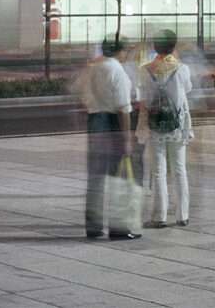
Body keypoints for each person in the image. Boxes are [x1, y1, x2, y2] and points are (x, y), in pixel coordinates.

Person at [73, 35, 142, 240]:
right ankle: (118, 228)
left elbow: (81, 95)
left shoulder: (92, 68)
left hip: (94, 122)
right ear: (120, 51)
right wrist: (127, 138)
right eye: (125, 50)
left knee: (95, 178)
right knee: (117, 177)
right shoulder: (116, 70)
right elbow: (123, 108)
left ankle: (93, 226)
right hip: (112, 123)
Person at [140, 31, 195, 229]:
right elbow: (187, 90)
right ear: (173, 47)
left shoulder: (146, 70)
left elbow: (143, 97)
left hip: (155, 125)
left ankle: (159, 216)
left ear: (155, 47)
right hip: (177, 125)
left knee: (158, 171)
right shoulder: (182, 69)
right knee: (180, 169)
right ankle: (183, 215)